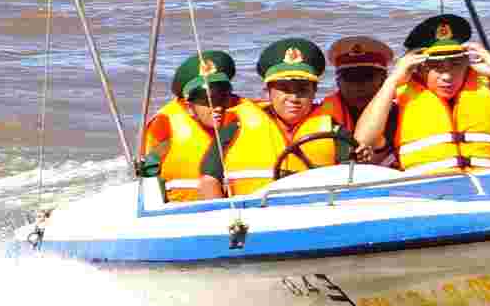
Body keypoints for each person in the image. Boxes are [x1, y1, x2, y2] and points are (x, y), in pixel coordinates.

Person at [350, 13, 490, 176]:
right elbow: (363, 139)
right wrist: (392, 81)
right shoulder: (399, 107)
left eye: (456, 65)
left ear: (467, 64)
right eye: (436, 67)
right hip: (429, 196)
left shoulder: (488, 99)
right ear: (419, 69)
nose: (447, 76)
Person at [137, 49, 279, 201]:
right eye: (206, 100)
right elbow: (148, 173)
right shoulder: (164, 126)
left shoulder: (250, 111)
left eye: (223, 97)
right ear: (188, 105)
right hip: (186, 211)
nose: (216, 106)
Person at [232, 37, 345, 186]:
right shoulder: (235, 129)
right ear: (267, 91)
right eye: (284, 89)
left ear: (315, 91)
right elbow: (210, 180)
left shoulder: (335, 131)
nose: (294, 98)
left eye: (302, 89)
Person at [318, 35, 397, 166]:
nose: (358, 86)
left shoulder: (397, 112)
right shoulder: (322, 115)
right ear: (338, 81)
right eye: (350, 77)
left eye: (367, 76)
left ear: (384, 79)